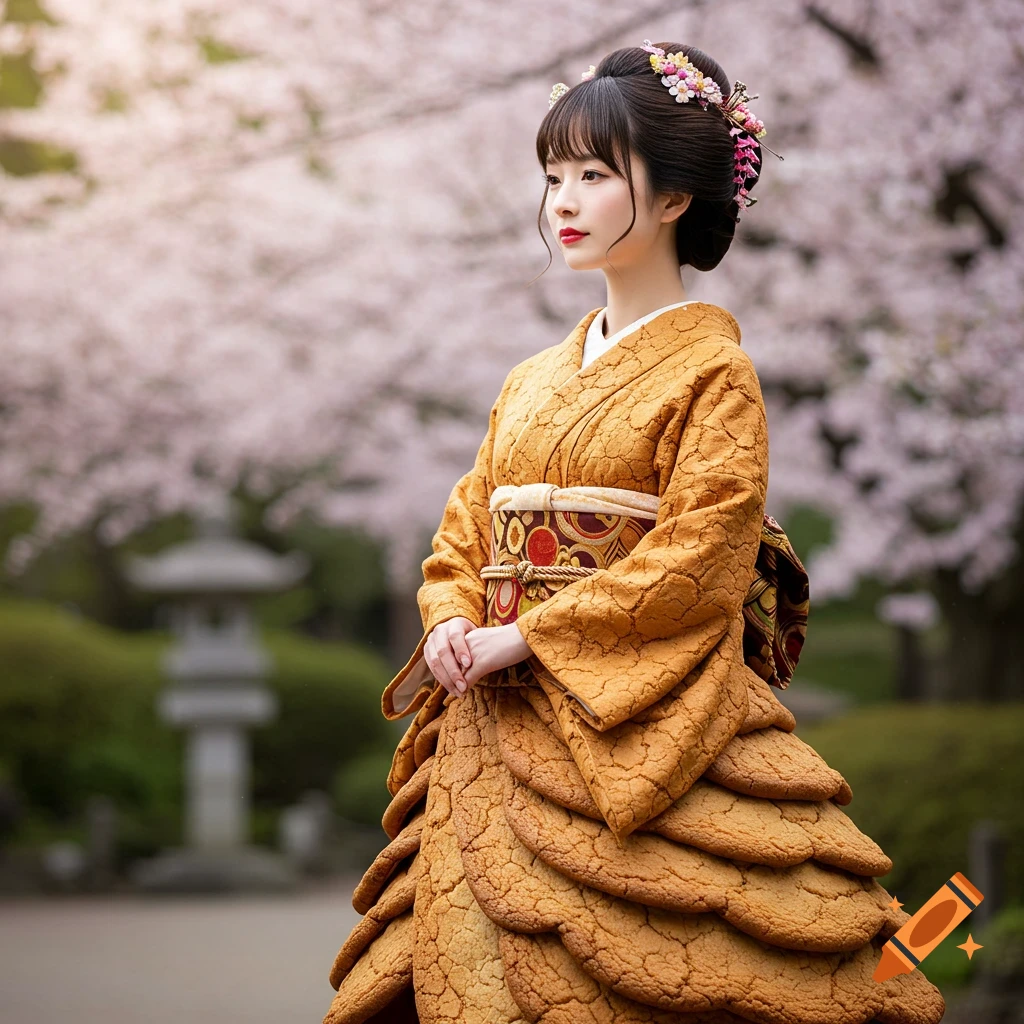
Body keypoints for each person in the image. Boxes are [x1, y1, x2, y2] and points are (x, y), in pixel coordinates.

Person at [323, 40, 946, 1024]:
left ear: (671, 199)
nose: (561, 201)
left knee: (683, 957)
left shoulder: (713, 373)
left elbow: (702, 551)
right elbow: (464, 528)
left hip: (640, 715)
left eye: (594, 175)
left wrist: (528, 633)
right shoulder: (529, 380)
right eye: (554, 176)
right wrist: (449, 616)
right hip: (490, 713)